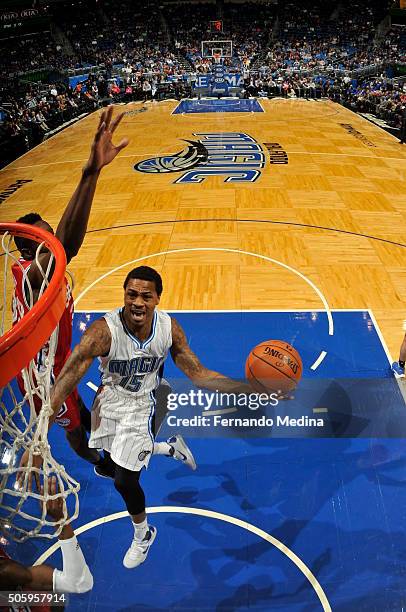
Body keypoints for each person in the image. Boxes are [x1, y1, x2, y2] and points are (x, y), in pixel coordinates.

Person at [47, 266, 254, 569]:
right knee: (112, 460)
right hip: (109, 400)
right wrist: (43, 424)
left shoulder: (169, 329)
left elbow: (199, 375)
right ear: (124, 296)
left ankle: (143, 533)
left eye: (146, 295)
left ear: (158, 298)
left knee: (124, 480)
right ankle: (170, 447)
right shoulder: (103, 332)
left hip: (146, 403)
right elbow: (67, 377)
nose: (138, 302)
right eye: (131, 294)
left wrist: (249, 389)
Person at [14, 106, 129, 478]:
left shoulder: (48, 269)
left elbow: (62, 246)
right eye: (45, 238)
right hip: (41, 376)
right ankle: (97, 462)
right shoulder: (31, 276)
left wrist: (92, 174)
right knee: (75, 429)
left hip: (59, 357)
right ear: (31, 251)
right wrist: (89, 172)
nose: (53, 240)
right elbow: (67, 245)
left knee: (87, 405)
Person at [0, 478, 93, 605]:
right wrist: (61, 521)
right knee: (57, 601)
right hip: (13, 598)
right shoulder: (6, 572)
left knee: (57, 600)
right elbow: (81, 583)